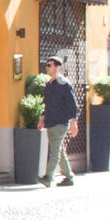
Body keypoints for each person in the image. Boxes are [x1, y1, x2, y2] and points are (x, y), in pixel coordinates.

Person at [40, 57, 79, 187]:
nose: (47, 67)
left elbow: (72, 104)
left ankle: (48, 177)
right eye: (46, 65)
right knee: (59, 151)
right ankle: (69, 177)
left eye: (49, 65)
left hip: (60, 122)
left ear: (57, 67)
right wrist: (42, 119)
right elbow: (47, 104)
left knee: (55, 150)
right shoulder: (49, 83)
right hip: (50, 121)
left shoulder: (64, 84)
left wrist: (74, 122)